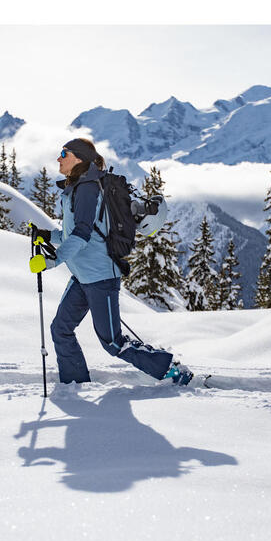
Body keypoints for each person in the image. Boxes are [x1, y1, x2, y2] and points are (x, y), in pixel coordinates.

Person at [28, 137, 193, 386]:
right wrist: (46, 236)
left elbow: (82, 235)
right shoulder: (75, 188)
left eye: (64, 153)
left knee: (113, 343)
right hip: (83, 277)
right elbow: (71, 234)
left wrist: (52, 261)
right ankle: (75, 386)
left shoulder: (87, 189)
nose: (59, 158)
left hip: (101, 277)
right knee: (60, 329)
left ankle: (170, 370)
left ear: (79, 158)